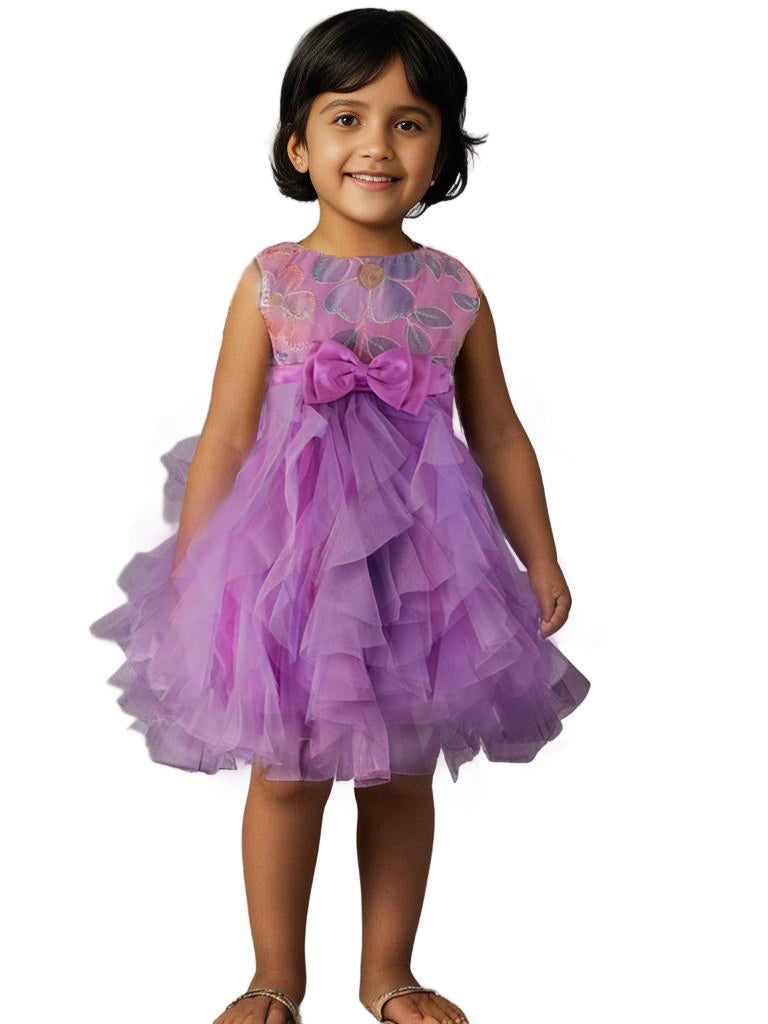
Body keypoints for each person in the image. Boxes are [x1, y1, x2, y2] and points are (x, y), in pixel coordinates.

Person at [89, 10, 591, 1024]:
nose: (377, 145)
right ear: (298, 146)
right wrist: (198, 571)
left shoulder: (452, 289)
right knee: (285, 774)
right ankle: (274, 974)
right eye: (347, 117)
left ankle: (388, 973)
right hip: (287, 568)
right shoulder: (272, 278)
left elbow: (498, 433)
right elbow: (227, 435)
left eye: (409, 123)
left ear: (442, 151)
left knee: (401, 774)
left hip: (419, 569)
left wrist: (539, 555)